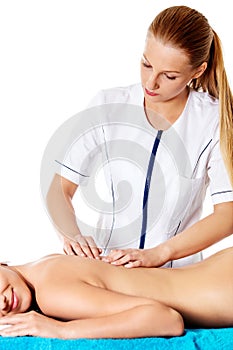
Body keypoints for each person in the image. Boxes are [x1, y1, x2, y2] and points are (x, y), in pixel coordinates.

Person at [46, 5, 233, 267]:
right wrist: (71, 234)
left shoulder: (213, 120)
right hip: (108, 269)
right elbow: (59, 188)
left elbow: (228, 213)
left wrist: (160, 254)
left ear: (198, 71)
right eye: (146, 64)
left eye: (169, 76)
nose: (151, 83)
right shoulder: (108, 105)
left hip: (177, 278)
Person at [0, 246, 233, 339]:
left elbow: (166, 319)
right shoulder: (44, 264)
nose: (1, 304)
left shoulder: (51, 293)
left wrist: (62, 330)